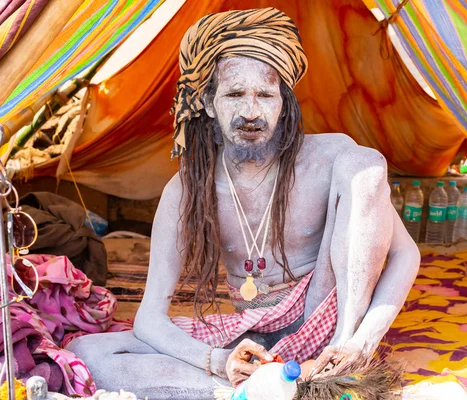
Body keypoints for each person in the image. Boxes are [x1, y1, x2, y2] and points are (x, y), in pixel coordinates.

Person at [67, 8, 419, 400]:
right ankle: (266, 388)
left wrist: (359, 344)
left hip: (328, 321)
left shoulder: (331, 158)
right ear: (209, 102)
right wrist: (218, 360)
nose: (251, 112)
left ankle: (335, 367)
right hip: (250, 335)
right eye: (235, 94)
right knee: (87, 351)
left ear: (283, 103)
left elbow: (405, 255)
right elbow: (150, 318)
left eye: (265, 95)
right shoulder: (185, 190)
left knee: (365, 161)